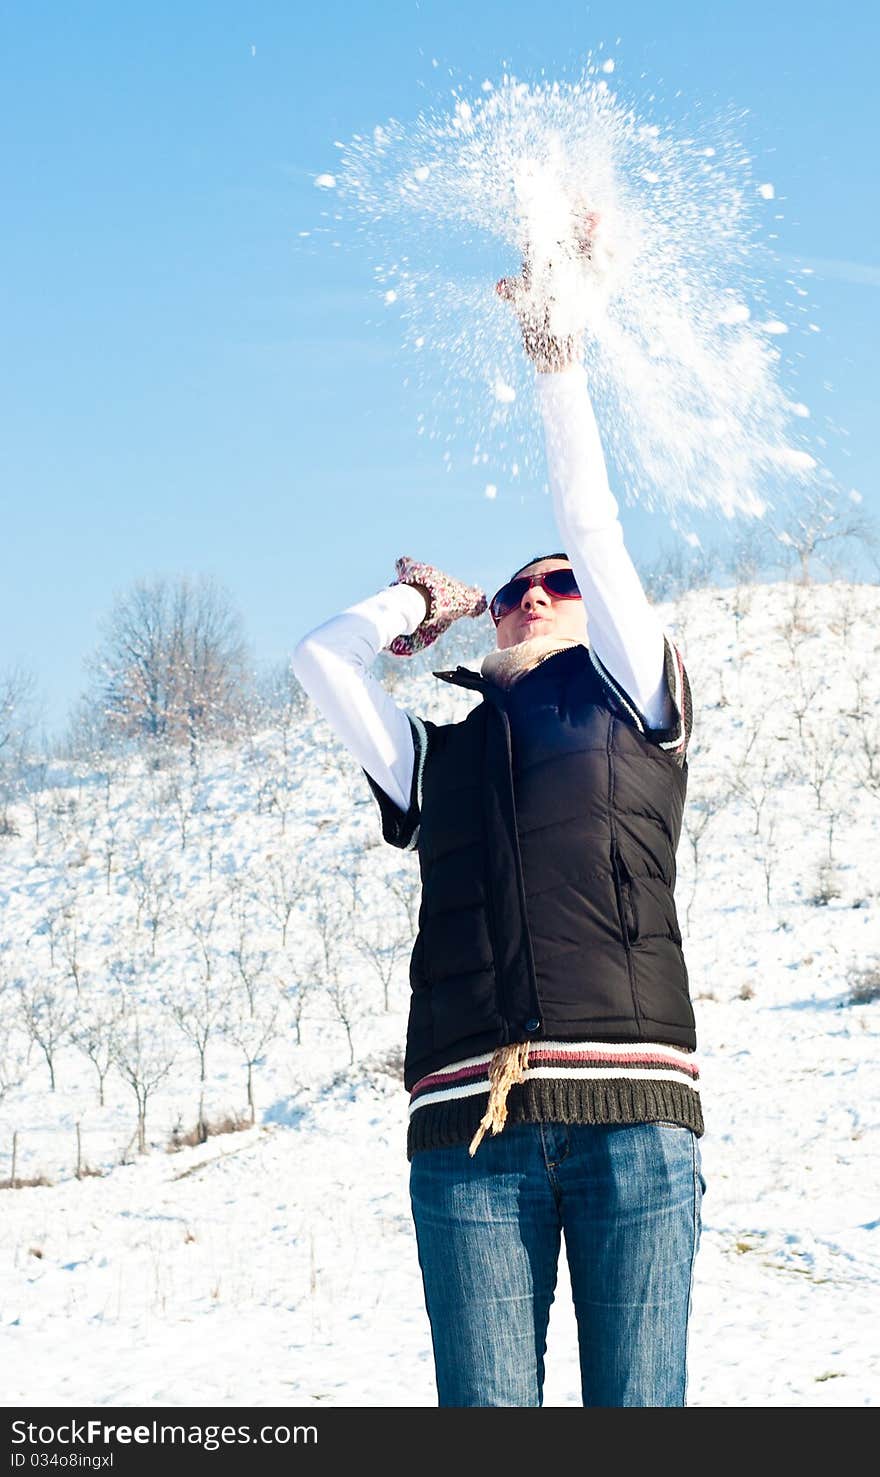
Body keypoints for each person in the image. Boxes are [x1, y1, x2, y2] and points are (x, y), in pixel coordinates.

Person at [292, 227, 705, 1408]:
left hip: (633, 1116)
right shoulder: (440, 756)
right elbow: (321, 662)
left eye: (552, 586)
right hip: (465, 1128)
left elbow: (594, 524)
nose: (530, 595)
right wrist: (413, 601)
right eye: (513, 590)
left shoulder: (634, 695)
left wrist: (554, 358)